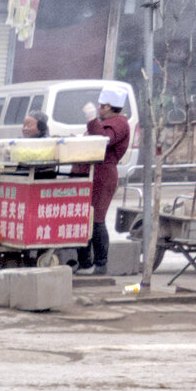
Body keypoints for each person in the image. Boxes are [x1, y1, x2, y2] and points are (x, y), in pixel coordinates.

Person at [82, 90, 132, 274]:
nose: (98, 108)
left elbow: (103, 140)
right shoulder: (106, 123)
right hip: (91, 174)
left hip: (103, 176)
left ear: (109, 107)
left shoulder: (119, 123)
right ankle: (85, 262)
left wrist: (91, 120)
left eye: (100, 106)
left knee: (96, 218)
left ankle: (100, 264)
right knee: (85, 218)